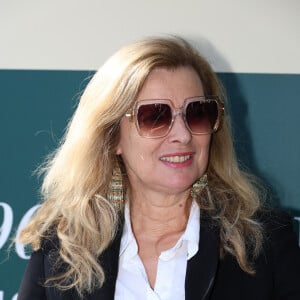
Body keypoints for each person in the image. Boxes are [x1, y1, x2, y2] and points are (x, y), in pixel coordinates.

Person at [17, 36, 300, 300]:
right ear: (113, 136)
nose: (183, 134)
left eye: (198, 113)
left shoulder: (264, 242)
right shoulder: (63, 247)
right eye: (155, 116)